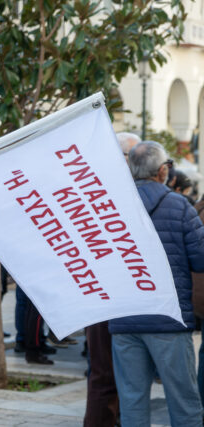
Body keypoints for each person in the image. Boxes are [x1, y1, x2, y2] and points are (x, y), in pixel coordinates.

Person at [109, 140, 204, 425]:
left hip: (125, 320)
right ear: (163, 171)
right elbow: (200, 261)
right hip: (169, 320)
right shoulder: (180, 206)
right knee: (184, 404)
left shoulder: (111, 206)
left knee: (133, 403)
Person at [83, 131, 140, 427]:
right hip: (107, 296)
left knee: (109, 374)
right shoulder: (105, 191)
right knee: (106, 373)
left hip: (112, 296)